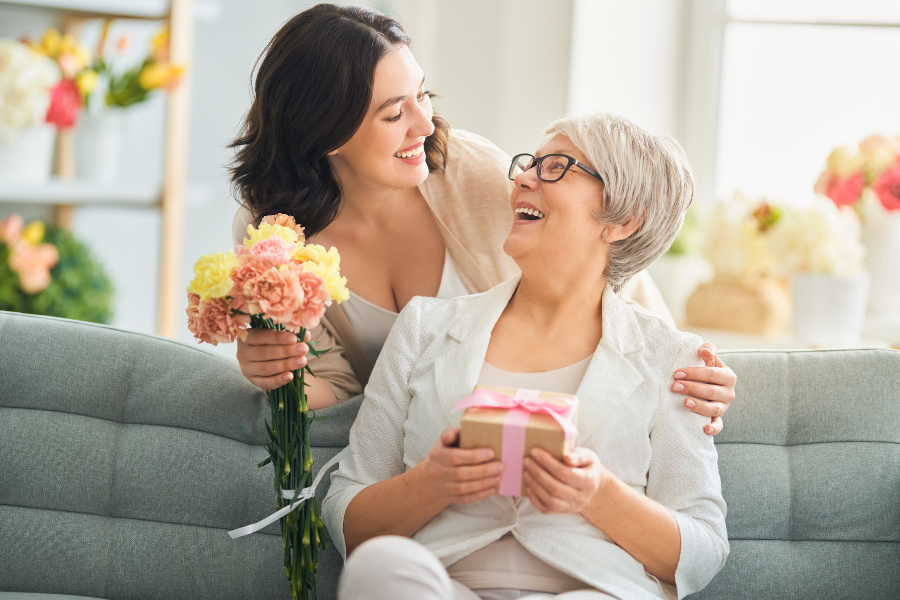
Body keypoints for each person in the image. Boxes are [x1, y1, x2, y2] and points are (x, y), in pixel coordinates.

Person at [229, 4, 736, 433]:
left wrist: (683, 371)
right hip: (420, 442)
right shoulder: (273, 237)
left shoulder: (471, 172)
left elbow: (604, 263)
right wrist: (279, 372)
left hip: (539, 423)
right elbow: (339, 391)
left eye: (421, 95)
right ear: (326, 134)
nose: (426, 125)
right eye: (394, 114)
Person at [323, 112, 728, 600]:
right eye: (529, 164)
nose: (523, 178)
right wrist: (433, 482)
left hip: (590, 591)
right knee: (381, 567)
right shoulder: (424, 327)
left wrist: (599, 495)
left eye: (556, 167)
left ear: (624, 220)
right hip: (442, 587)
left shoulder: (675, 358)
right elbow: (347, 515)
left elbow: (703, 550)